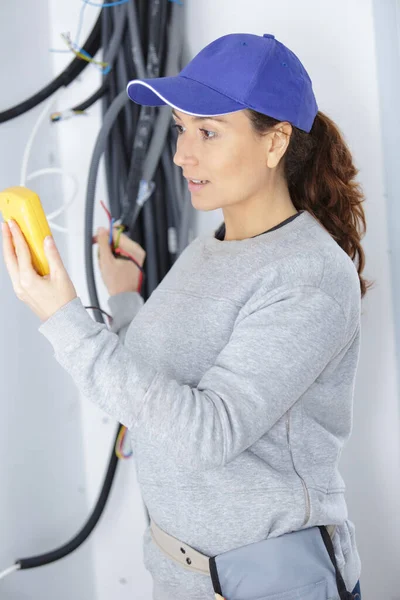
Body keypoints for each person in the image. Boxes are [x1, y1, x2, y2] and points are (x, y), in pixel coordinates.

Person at [1, 33, 368, 600]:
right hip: (183, 576)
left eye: (208, 132)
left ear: (275, 142)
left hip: (269, 583)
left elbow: (209, 431)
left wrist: (63, 317)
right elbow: (159, 387)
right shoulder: (207, 248)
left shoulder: (310, 275)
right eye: (179, 129)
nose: (180, 154)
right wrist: (126, 300)